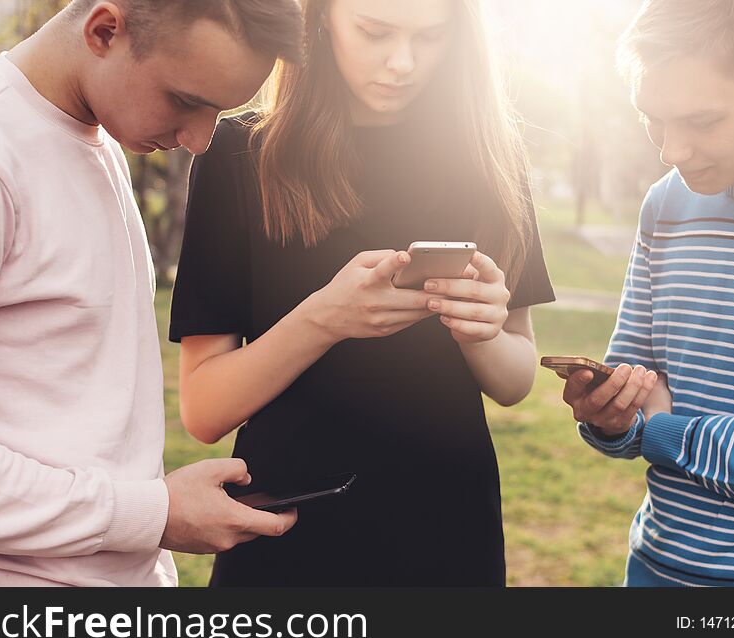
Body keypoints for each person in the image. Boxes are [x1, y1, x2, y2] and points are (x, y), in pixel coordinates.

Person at [0, 0, 303, 587]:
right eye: (186, 101)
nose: (200, 140)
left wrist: (152, 545)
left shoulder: (96, 139)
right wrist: (156, 514)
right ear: (105, 31)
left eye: (220, 112)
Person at [170, 0, 556, 586]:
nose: (402, 62)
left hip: (448, 526)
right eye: (375, 32)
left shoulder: (488, 155)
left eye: (430, 37)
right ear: (320, 18)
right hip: (291, 527)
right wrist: (324, 319)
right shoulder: (239, 154)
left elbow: (515, 378)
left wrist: (480, 333)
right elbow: (204, 408)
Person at [561, 0, 734, 586]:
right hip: (654, 570)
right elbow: (636, 400)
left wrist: (669, 432)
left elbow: (661, 427)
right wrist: (609, 417)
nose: (671, 151)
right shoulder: (666, 204)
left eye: (701, 121)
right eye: (654, 119)